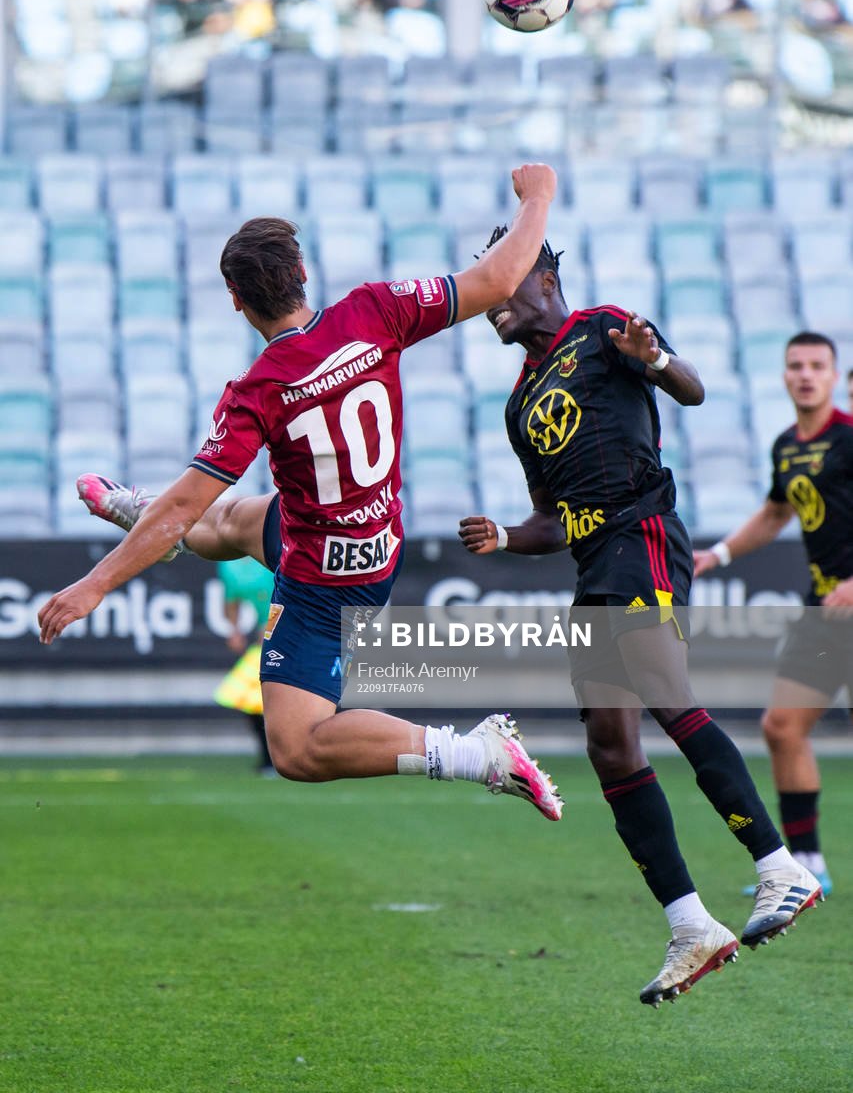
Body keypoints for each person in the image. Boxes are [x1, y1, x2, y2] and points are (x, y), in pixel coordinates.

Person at [39, 164, 562, 822]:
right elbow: (498, 279)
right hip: (370, 536)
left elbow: (184, 506)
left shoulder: (258, 390)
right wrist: (539, 194)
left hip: (324, 576)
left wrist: (94, 585)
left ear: (235, 299)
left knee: (295, 747)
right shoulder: (376, 309)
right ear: (302, 273)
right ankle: (145, 518)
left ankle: (475, 753)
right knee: (228, 522)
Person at [457, 231, 822, 1007]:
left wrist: (652, 358)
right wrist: (506, 537)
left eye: (501, 281)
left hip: (642, 533)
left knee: (663, 691)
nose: (489, 301)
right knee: (608, 742)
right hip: (595, 562)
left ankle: (777, 866)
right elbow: (551, 520)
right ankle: (690, 924)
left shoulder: (603, 329)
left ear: (543, 278)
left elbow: (690, 389)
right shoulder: (519, 405)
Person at [694, 331, 853, 899]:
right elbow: (774, 512)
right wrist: (718, 554)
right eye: (796, 365)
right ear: (784, 376)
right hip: (822, 612)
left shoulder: (849, 438)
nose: (806, 375)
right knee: (782, 727)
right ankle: (806, 865)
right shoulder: (787, 445)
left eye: (816, 365)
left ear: (833, 375)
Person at [214, 555, 276, 774]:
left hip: (356, 615)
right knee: (252, 699)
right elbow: (231, 599)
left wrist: (271, 627)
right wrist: (235, 630)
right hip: (271, 639)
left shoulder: (272, 550)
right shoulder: (228, 564)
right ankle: (270, 758)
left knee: (364, 695)